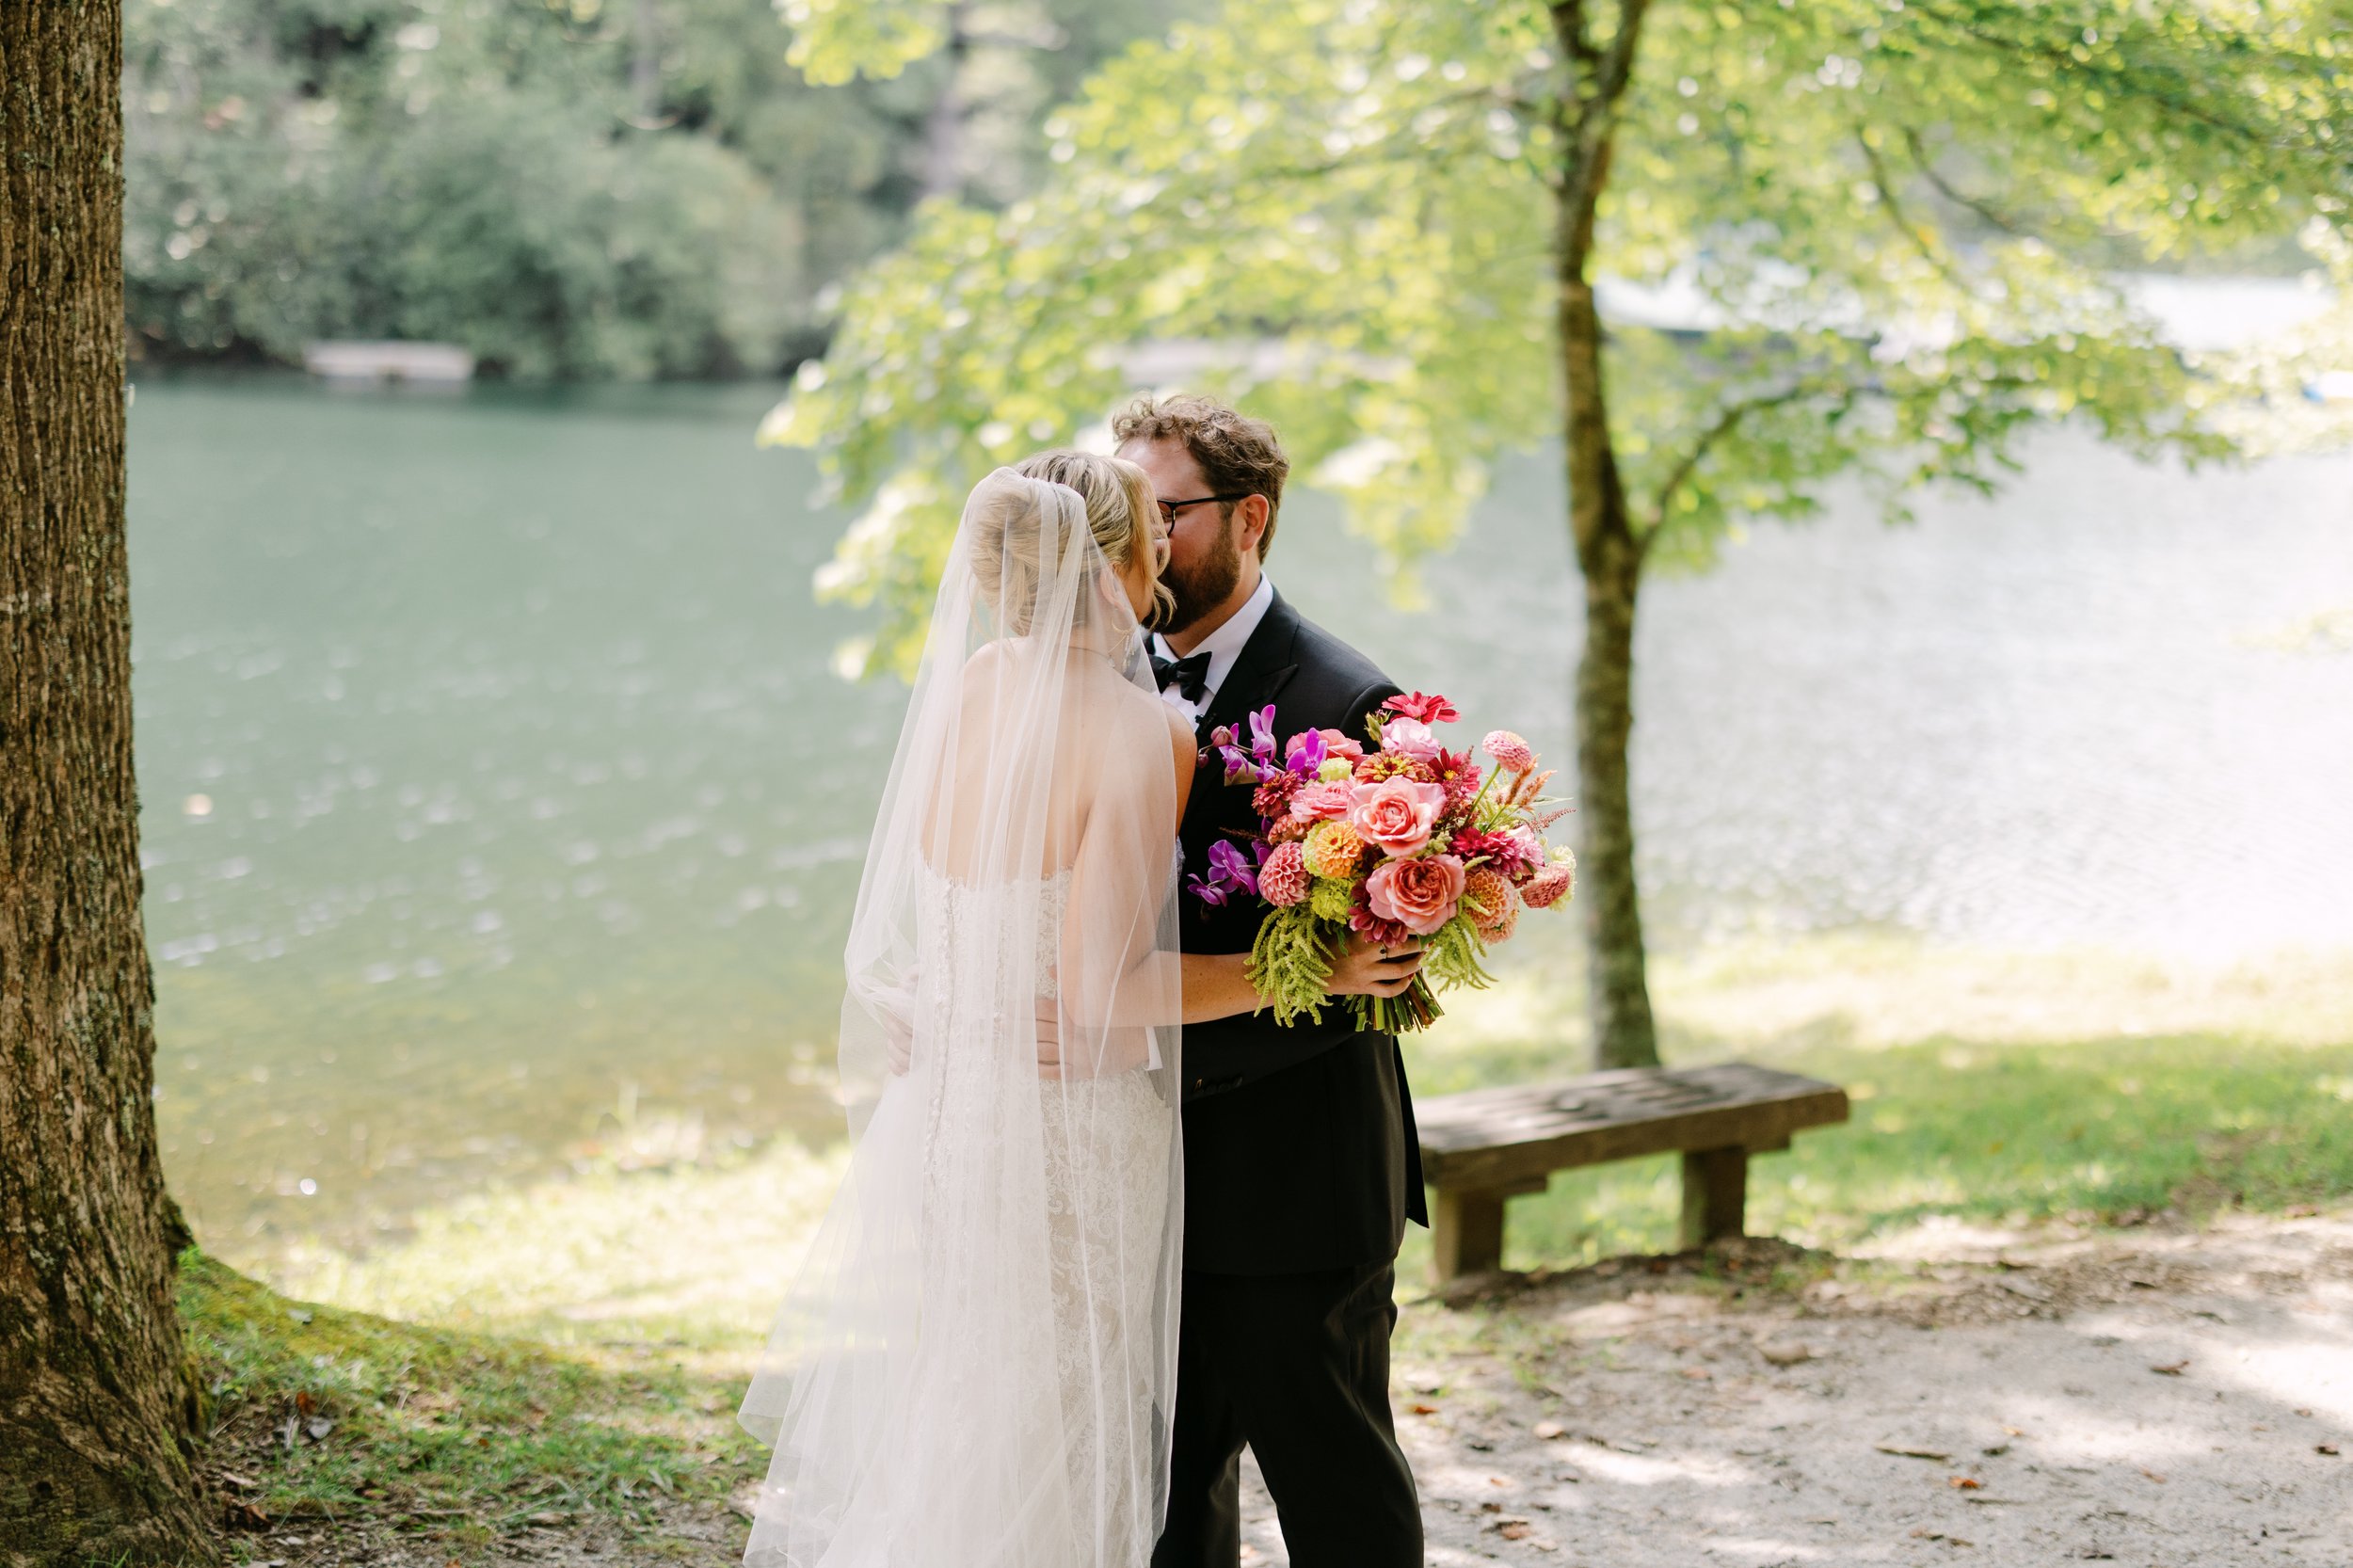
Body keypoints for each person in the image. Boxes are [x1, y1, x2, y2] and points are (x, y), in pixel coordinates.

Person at [1117, 395, 1429, 1568]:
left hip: (1300, 1176)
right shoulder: (1100, 675)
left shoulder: (1351, 704)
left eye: (1164, 515)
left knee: (1334, 1486)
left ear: (1249, 518)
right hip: (1135, 1173)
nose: (1137, 544)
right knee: (1161, 1497)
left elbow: (1373, 974)